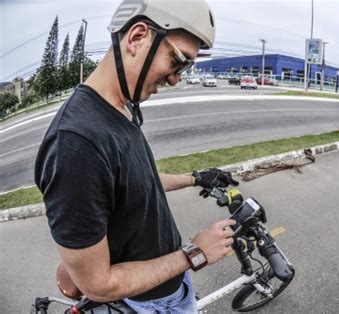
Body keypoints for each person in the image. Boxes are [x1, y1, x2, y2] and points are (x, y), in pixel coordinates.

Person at [34, 0, 239, 312]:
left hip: (172, 282)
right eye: (179, 60)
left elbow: (136, 180)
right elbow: (98, 284)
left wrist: (196, 178)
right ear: (137, 37)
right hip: (150, 304)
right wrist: (194, 254)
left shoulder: (122, 109)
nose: (176, 79)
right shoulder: (76, 143)